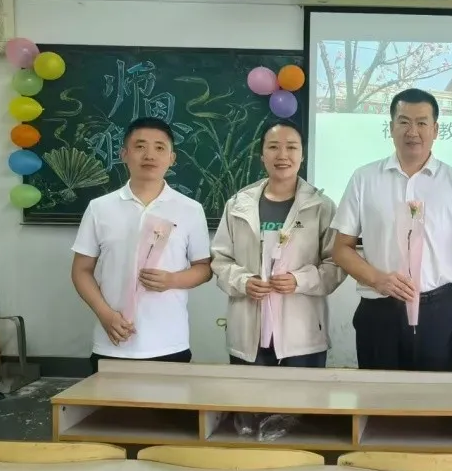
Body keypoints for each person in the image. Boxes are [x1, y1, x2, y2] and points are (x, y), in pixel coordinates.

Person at [331, 88, 452, 372]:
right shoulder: (364, 179)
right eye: (404, 122)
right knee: (376, 395)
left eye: (422, 123)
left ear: (435, 129)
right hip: (379, 310)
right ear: (391, 127)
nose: (412, 131)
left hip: (436, 312)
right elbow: (341, 249)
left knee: (431, 396)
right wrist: (376, 279)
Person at [71, 117, 212, 373]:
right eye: (140, 146)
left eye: (159, 147)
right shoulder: (100, 208)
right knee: (110, 402)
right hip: (112, 341)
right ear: (124, 154)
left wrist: (173, 280)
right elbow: (81, 270)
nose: (149, 155)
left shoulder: (190, 210)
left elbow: (204, 268)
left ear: (172, 158)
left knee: (170, 401)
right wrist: (105, 314)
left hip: (170, 342)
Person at [211, 119, 345, 367]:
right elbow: (220, 260)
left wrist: (299, 280)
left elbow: (336, 264)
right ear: (262, 155)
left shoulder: (321, 206)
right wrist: (243, 281)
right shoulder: (238, 205)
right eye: (273, 147)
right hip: (248, 336)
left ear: (302, 155)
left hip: (302, 336)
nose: (282, 155)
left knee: (302, 393)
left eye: (291, 147)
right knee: (249, 393)